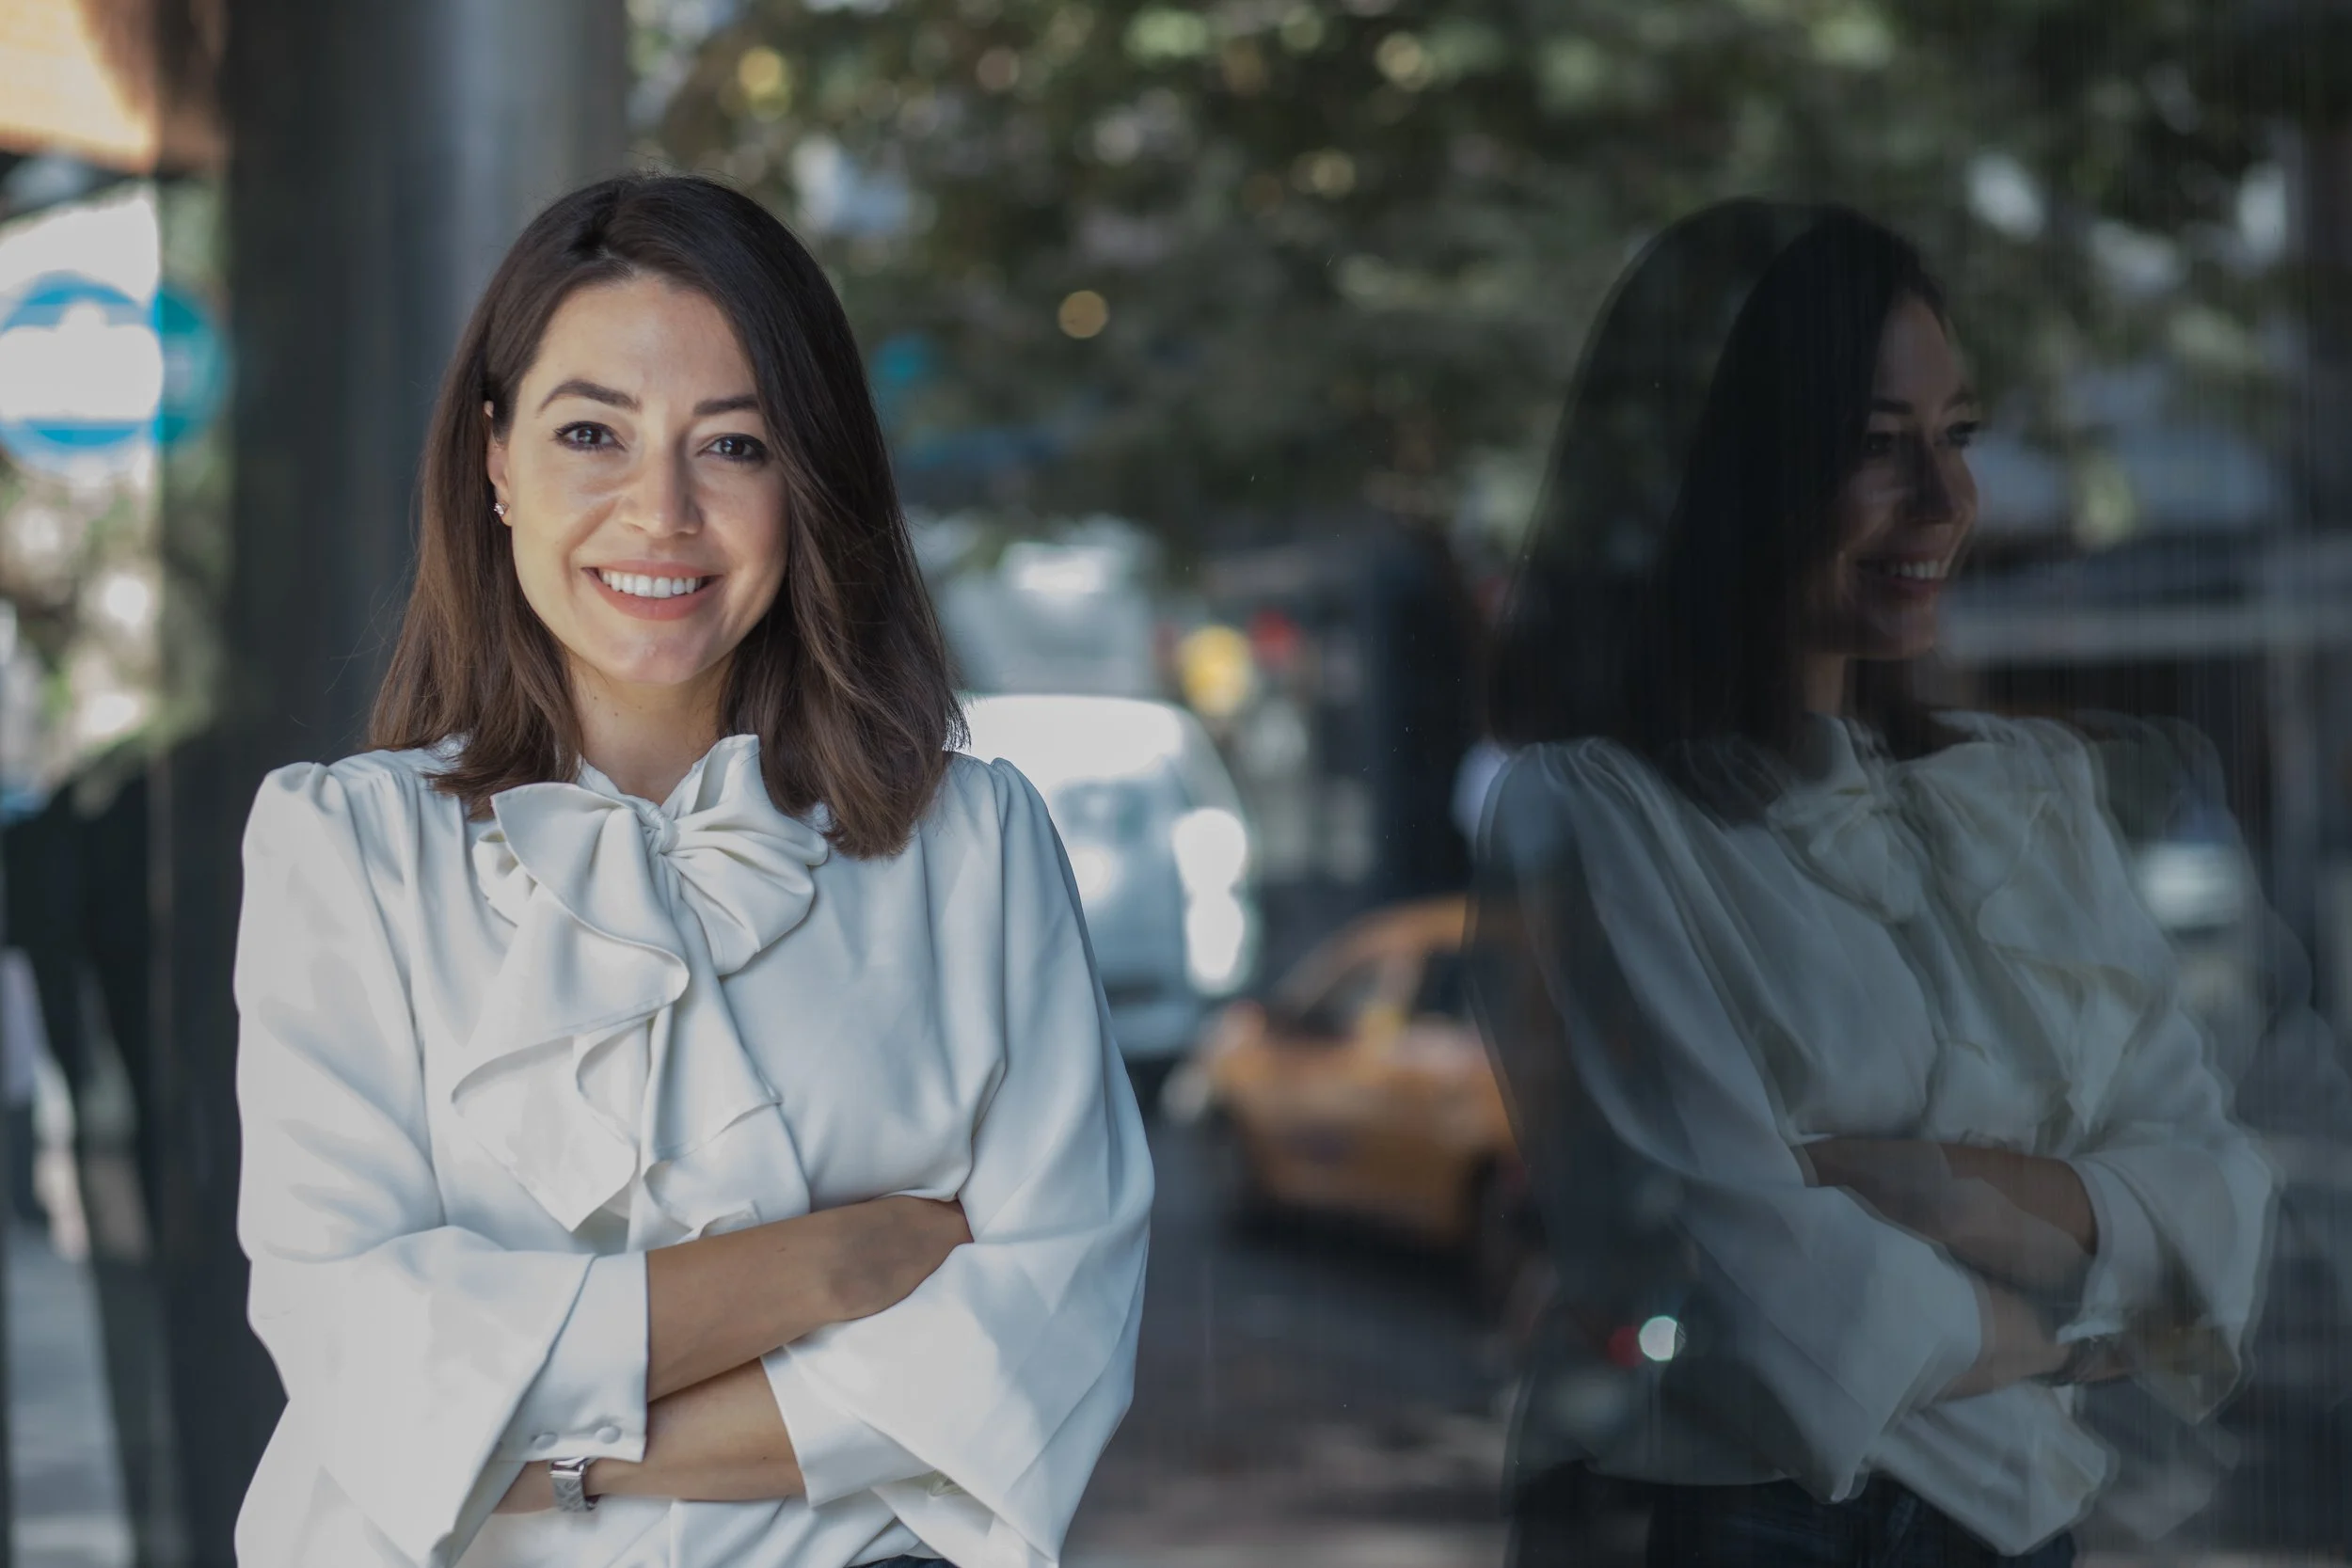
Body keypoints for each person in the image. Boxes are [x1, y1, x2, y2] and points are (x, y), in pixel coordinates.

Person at [230, 174, 1152, 1568]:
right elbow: (356, 1335)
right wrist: (829, 1265)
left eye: (733, 446)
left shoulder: (975, 844)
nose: (658, 510)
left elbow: (1047, 1339)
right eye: (592, 432)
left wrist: (532, 1455)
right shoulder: (345, 853)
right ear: (494, 459)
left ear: (807, 480)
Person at [1470, 202, 2275, 1566]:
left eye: (1955, 436)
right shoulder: (1595, 814)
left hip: (2021, 1525)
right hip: (1735, 1530)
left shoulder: (2029, 792)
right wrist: (2085, 1307)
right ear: (1736, 472)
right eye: (1874, 444)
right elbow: (1745, 1282)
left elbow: (2215, 1187)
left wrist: (1938, 1187)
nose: (1949, 501)